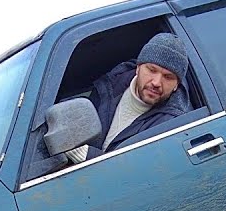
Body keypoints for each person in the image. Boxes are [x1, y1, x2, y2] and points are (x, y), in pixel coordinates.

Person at [63, 33, 192, 164]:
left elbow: (137, 171)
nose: (157, 82)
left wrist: (87, 156)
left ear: (176, 85)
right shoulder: (108, 87)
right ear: (138, 68)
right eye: (152, 70)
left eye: (168, 77)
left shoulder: (174, 124)